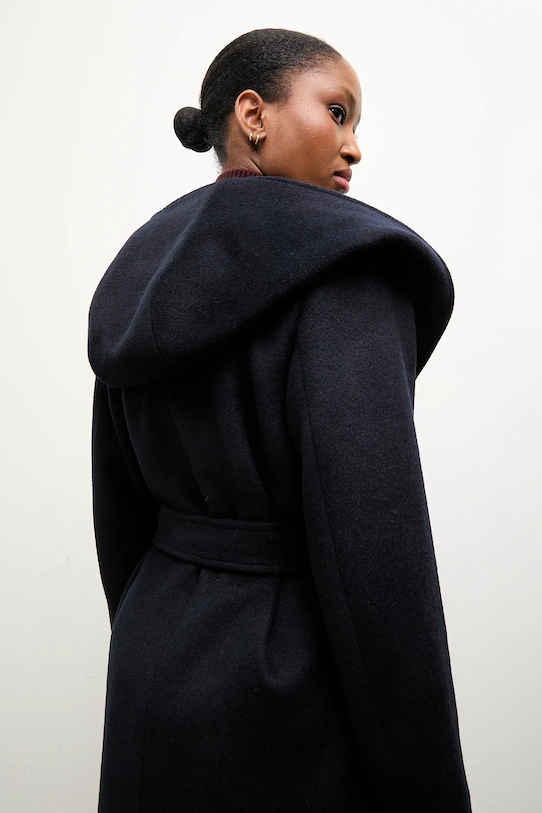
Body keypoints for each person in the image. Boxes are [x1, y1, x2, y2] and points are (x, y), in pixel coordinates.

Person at [89, 28, 471, 813]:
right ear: (253, 114)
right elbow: (377, 557)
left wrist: (149, 622)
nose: (354, 145)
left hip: (153, 659)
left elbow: (117, 499)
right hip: (289, 690)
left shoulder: (143, 268)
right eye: (338, 111)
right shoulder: (350, 275)